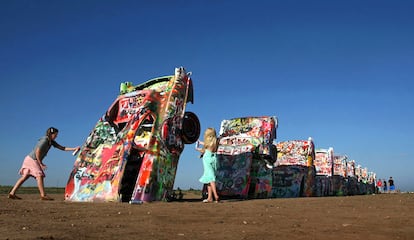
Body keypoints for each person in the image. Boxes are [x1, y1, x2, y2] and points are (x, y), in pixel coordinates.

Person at [8, 127, 80, 201]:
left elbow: (62, 148)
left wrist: (74, 148)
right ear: (51, 134)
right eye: (55, 135)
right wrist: (40, 163)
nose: (56, 136)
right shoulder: (45, 140)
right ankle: (43, 195)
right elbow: (37, 151)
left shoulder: (51, 141)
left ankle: (12, 193)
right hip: (33, 159)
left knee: (25, 177)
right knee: (39, 175)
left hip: (29, 159)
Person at [196, 128, 220, 203]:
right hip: (213, 159)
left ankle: (216, 195)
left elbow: (205, 149)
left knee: (211, 178)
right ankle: (210, 197)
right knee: (208, 179)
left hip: (207, 159)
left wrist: (197, 148)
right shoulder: (215, 142)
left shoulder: (208, 143)